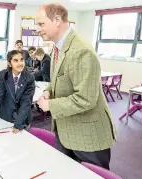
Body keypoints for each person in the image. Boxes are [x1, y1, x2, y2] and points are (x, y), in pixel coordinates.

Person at [35, 3, 117, 169]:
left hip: (88, 136)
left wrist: (49, 105)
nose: (37, 29)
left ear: (57, 20)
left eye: (41, 24)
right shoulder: (58, 48)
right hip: (65, 129)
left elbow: (86, 99)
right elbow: (58, 79)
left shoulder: (81, 51)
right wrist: (48, 91)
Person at [0, 50, 35, 133]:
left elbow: (26, 103)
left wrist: (18, 125)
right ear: (9, 63)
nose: (20, 63)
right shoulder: (2, 75)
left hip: (23, 119)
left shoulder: (29, 78)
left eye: (21, 60)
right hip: (5, 116)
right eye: (15, 60)